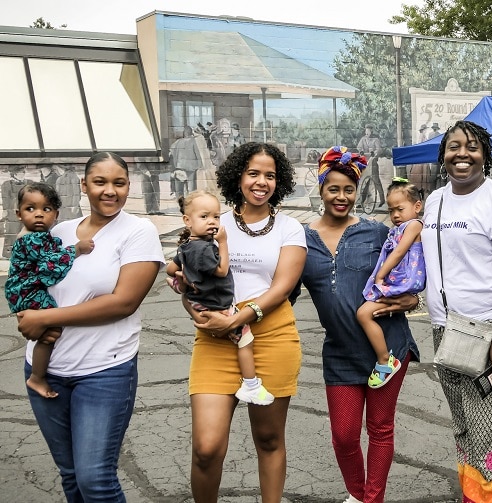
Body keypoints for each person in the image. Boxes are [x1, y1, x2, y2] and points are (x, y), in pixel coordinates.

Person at [16, 151, 164, 502]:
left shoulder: (139, 231)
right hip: (45, 368)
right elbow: (31, 278)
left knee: (95, 479)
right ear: (84, 186)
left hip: (104, 371)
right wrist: (26, 311)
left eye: (119, 183)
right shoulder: (61, 230)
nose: (109, 191)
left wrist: (45, 319)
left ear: (129, 186)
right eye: (100, 182)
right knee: (71, 477)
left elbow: (123, 302)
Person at [179, 142, 306, 503]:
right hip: (215, 338)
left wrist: (240, 316)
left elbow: (282, 287)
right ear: (238, 175)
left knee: (268, 440)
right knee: (206, 447)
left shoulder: (289, 228)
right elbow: (188, 276)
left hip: (271, 335)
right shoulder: (212, 221)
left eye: (270, 175)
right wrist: (196, 311)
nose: (261, 181)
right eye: (253, 173)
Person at [300, 145, 420, 503]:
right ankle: (357, 492)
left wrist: (414, 299)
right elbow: (282, 290)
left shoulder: (376, 232)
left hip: (388, 349)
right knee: (345, 436)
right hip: (339, 352)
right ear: (321, 190)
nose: (342, 197)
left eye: (349, 189)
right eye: (333, 189)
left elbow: (410, 269)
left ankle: (372, 499)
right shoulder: (301, 240)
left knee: (380, 430)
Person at [420, 121, 492, 503]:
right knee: (465, 425)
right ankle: (473, 496)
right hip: (446, 326)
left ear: (486, 154)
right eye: (453, 147)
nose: (461, 154)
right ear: (443, 154)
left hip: (490, 328)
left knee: (491, 428)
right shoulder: (435, 200)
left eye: (472, 147)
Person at [166, 190, 273, 405]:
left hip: (200, 301)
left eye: (215, 216)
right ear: (187, 220)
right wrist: (223, 242)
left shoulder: (187, 246)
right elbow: (222, 270)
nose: (212, 221)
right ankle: (251, 385)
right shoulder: (205, 249)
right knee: (245, 340)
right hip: (218, 305)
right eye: (204, 217)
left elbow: (170, 268)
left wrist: (179, 277)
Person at [5, 182, 94, 398]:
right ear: (18, 214)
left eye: (46, 209)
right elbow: (48, 268)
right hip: (28, 292)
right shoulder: (31, 239)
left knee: (49, 332)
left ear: (56, 214)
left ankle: (38, 374)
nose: (38, 215)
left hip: (24, 289)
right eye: (30, 209)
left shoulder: (39, 237)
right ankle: (37, 377)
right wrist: (76, 249)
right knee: (50, 332)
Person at [357, 178, 425, 389]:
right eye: (391, 210)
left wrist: (380, 276)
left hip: (403, 281)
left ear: (417, 206)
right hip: (400, 281)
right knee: (366, 313)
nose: (395, 215)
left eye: (400, 209)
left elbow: (398, 253)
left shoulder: (413, 225)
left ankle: (385, 360)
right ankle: (384, 358)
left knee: (363, 314)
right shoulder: (401, 227)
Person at [356, 124, 385, 206]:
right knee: (365, 182)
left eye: (370, 130)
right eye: (367, 130)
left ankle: (382, 200)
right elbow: (359, 147)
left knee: (376, 181)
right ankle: (361, 201)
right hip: (365, 162)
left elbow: (379, 150)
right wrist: (361, 151)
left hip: (373, 162)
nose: (368, 132)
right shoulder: (363, 139)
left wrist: (374, 153)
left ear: (372, 131)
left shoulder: (375, 139)